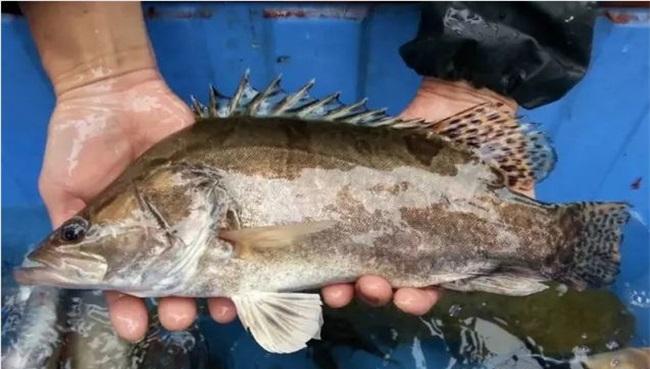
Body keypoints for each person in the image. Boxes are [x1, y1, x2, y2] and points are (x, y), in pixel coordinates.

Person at [21, 2, 595, 342]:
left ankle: (565, 243)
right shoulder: (182, 179)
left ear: (173, 200)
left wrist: (479, 83)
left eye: (78, 231)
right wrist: (101, 76)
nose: (70, 239)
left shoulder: (195, 196)